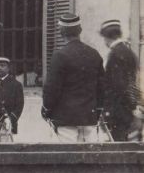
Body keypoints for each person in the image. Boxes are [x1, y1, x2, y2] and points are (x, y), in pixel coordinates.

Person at [42, 13, 105, 142]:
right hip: (89, 118)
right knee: (89, 159)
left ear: (61, 32)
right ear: (80, 30)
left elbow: (52, 89)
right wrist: (98, 110)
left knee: (68, 159)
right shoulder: (94, 54)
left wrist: (46, 109)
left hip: (66, 119)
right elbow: (102, 87)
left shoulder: (59, 56)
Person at [99, 19, 141, 141]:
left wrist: (109, 112)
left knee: (118, 146)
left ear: (107, 37)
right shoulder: (129, 53)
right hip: (128, 110)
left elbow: (119, 86)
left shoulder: (115, 55)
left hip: (118, 112)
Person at [0, 57, 24, 136]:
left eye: (2, 66)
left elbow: (19, 106)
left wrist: (10, 120)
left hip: (8, 123)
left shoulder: (16, 85)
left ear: (8, 68)